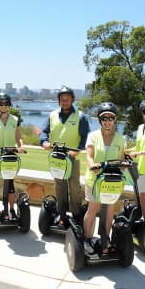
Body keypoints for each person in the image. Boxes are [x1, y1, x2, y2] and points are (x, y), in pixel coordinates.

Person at [40, 86, 90, 227]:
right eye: (62, 99)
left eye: (68, 99)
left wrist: (78, 149)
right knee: (60, 187)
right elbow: (44, 131)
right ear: (59, 101)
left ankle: (76, 215)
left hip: (72, 157)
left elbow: (86, 137)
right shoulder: (52, 115)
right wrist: (44, 142)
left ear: (72, 99)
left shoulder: (81, 116)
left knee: (74, 187)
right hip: (57, 157)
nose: (65, 101)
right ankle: (61, 215)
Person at [83, 102, 126, 254]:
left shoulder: (120, 139)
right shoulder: (93, 136)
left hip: (112, 181)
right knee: (93, 209)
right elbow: (89, 155)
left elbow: (121, 159)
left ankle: (105, 239)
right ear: (100, 120)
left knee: (109, 210)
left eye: (110, 118)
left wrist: (125, 165)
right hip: (94, 180)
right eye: (104, 118)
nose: (107, 121)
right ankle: (87, 239)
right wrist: (93, 164)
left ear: (115, 120)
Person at [0, 92, 25, 220]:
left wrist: (21, 146)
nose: (3, 106)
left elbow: (18, 137)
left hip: (10, 157)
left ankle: (12, 210)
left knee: (10, 183)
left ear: (9, 105)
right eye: (1, 104)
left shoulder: (15, 120)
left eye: (6, 104)